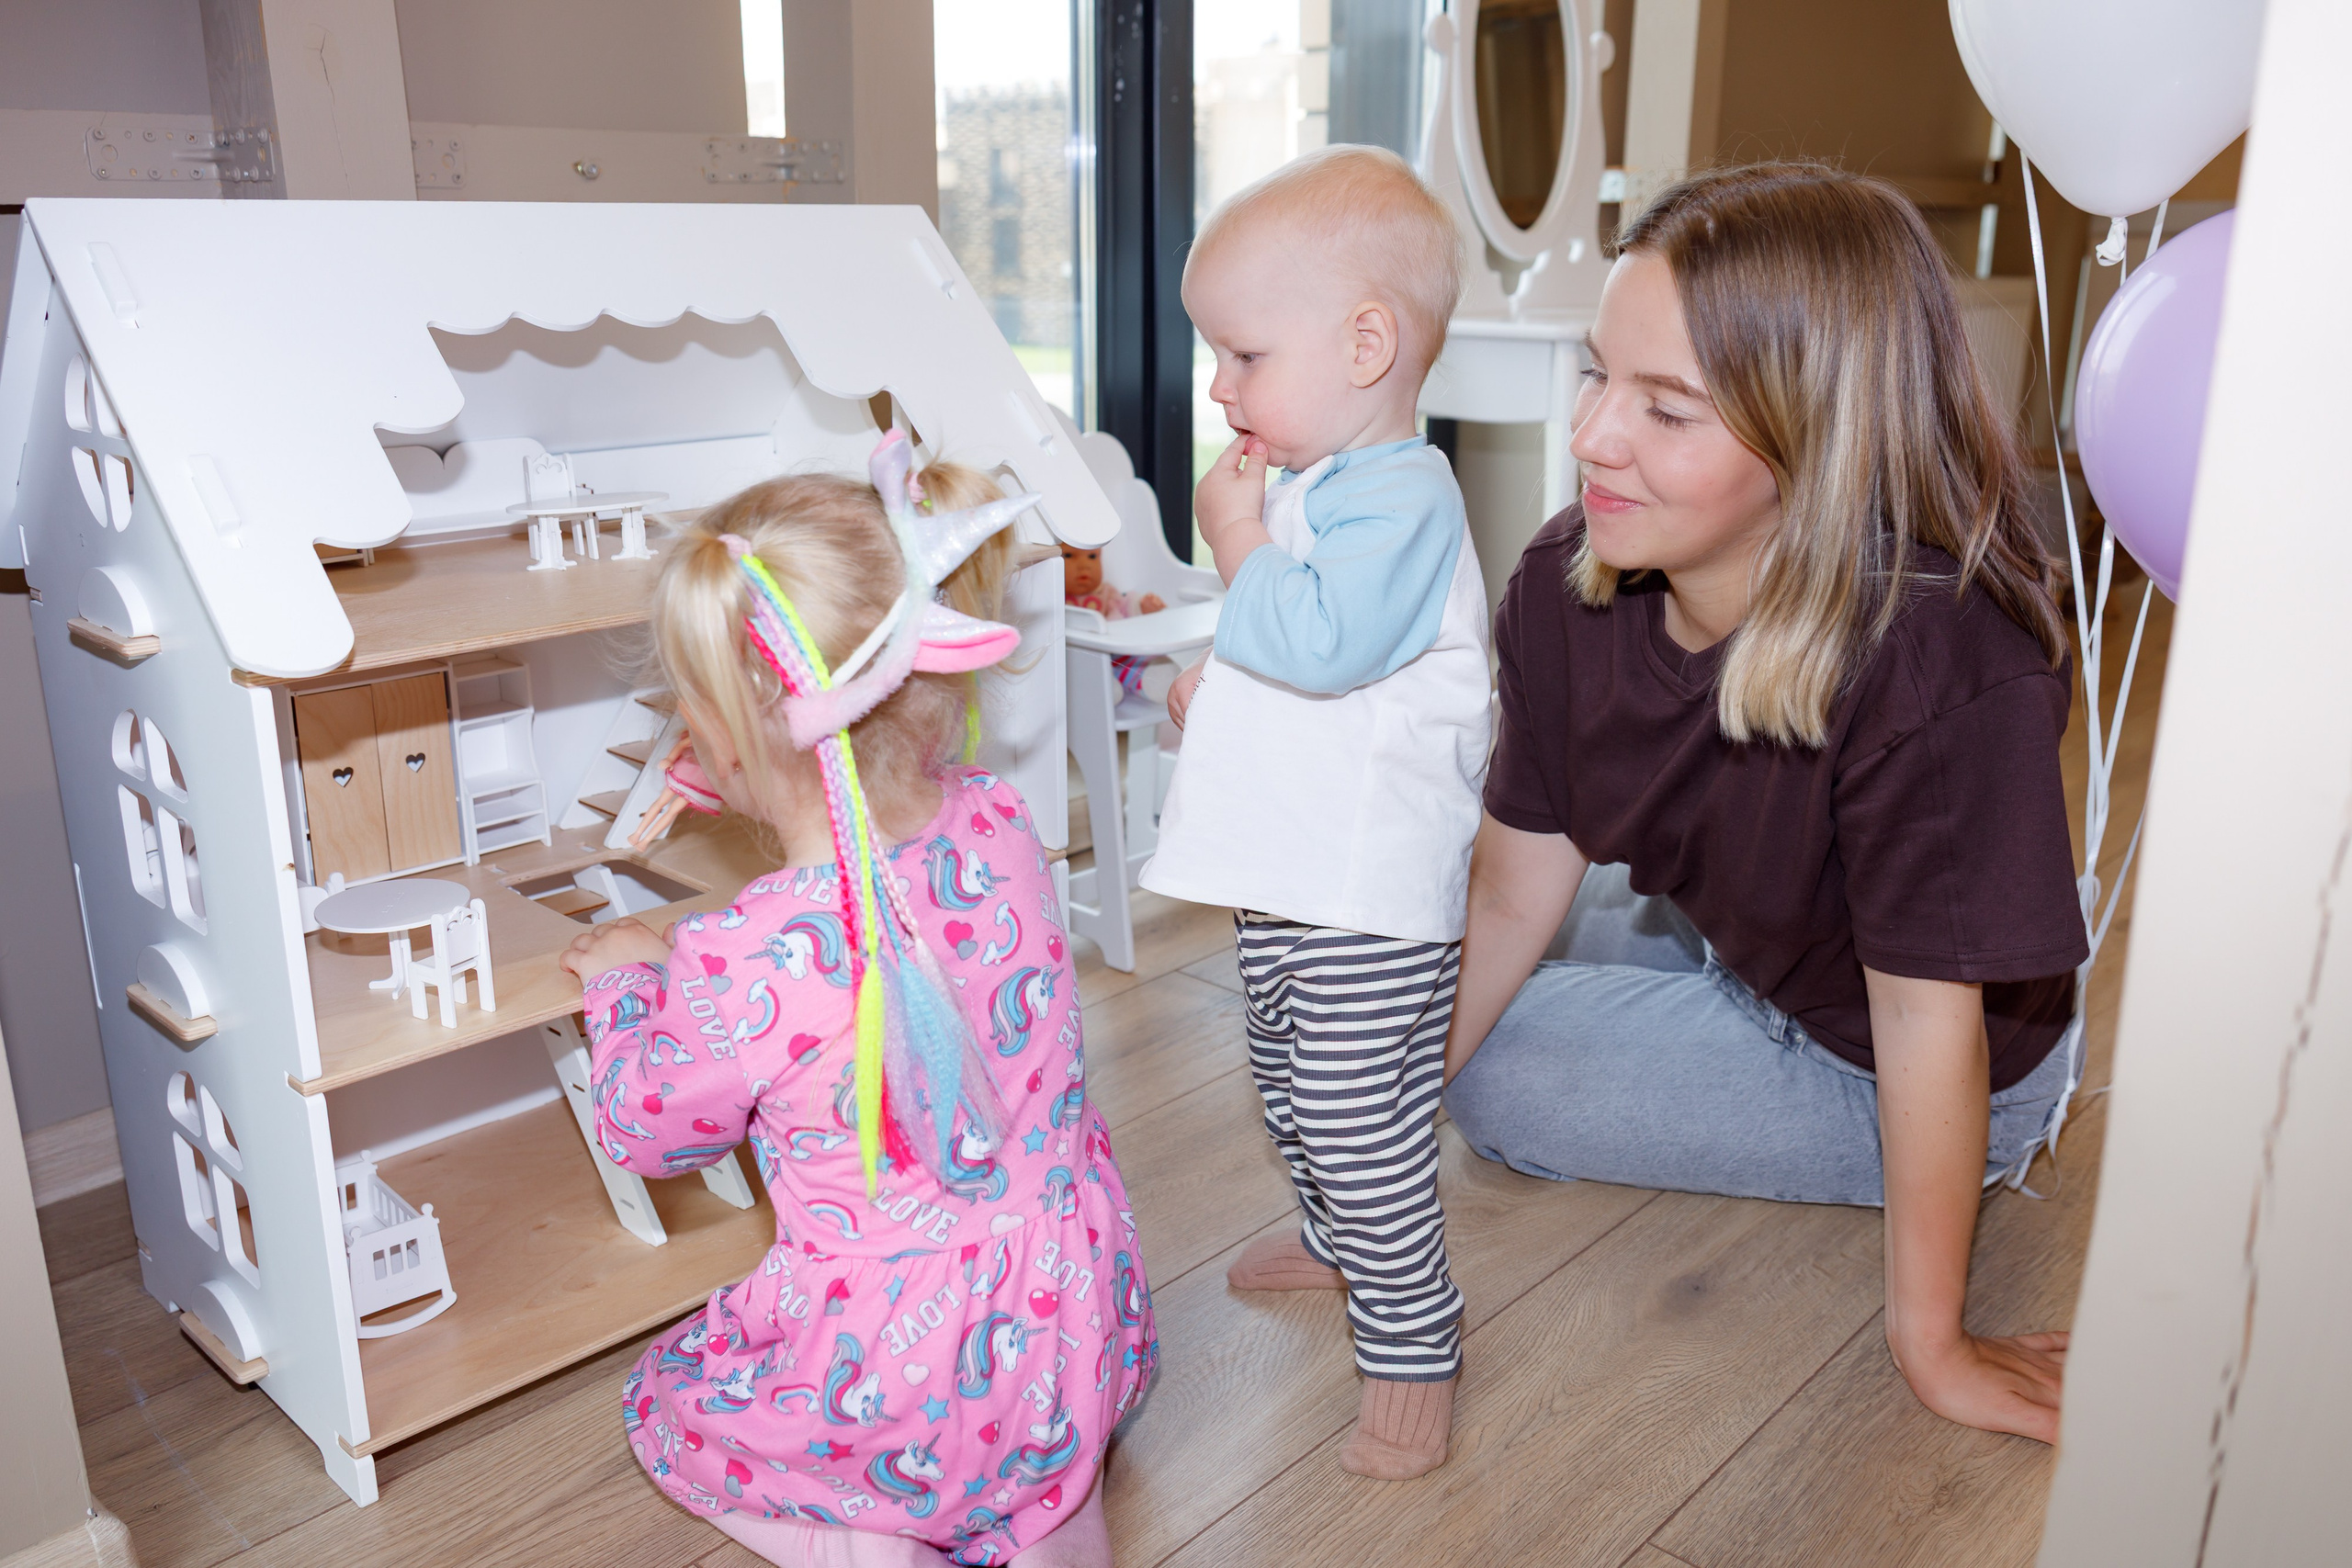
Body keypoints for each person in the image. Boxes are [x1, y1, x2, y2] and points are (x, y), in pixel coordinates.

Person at [1442, 163, 2084, 1444]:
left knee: (1497, 1079)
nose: (1591, 435)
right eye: (1596, 372)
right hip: (1753, 943)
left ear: (1819, 435)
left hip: (1914, 1050)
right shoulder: (1567, 582)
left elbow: (1920, 1021)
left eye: (1666, 409)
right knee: (1408, 1032)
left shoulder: (1940, 658)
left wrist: (1935, 1342)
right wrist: (1359, 1174)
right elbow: (1513, 887)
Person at [561, 434, 1158, 1566]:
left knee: (672, 1406)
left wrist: (625, 979)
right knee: (1030, 1462)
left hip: (888, 1381)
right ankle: (1046, 1500)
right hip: (1069, 1326)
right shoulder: (999, 825)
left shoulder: (743, 955)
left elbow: (648, 1127)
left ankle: (874, 1535)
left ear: (730, 735)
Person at [1141, 144, 1490, 1478]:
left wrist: (1235, 550)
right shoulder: (1322, 489)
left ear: (1364, 343)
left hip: (1365, 889)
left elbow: (1330, 639)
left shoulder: (1402, 493)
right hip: (1293, 879)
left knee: (1359, 1110)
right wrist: (1210, 683)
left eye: (1241, 356)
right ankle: (1341, 1237)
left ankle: (1414, 1339)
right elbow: (1298, 663)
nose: (1219, 388)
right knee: (1289, 1085)